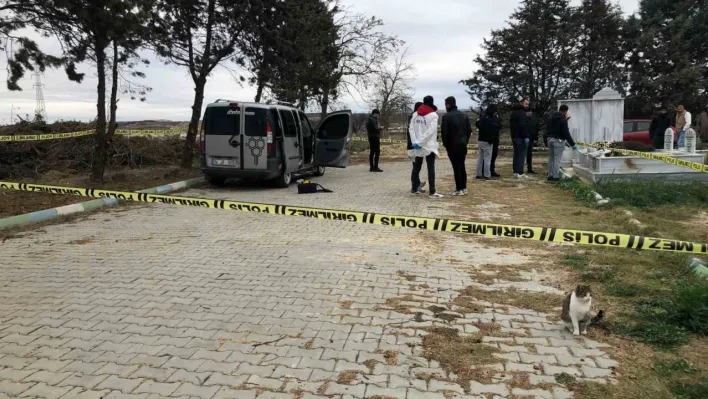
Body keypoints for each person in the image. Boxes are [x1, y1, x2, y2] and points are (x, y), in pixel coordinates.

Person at [409, 95, 443, 199]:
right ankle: (432, 192)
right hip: (429, 146)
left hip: (417, 146)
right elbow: (431, 131)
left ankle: (414, 188)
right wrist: (420, 142)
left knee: (417, 167)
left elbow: (411, 129)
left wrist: (416, 142)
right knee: (430, 168)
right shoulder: (433, 115)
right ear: (432, 103)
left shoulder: (415, 114)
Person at [441, 96, 472, 196]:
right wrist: (465, 141)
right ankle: (464, 187)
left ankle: (459, 188)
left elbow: (444, 133)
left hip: (452, 145)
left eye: (445, 104)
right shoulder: (464, 115)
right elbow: (469, 130)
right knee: (462, 165)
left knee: (456, 167)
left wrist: (446, 145)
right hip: (462, 144)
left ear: (448, 104)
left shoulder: (446, 117)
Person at [547, 104, 577, 182]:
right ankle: (555, 176)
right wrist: (572, 144)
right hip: (558, 141)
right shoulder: (563, 120)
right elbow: (566, 133)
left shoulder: (550, 118)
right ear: (565, 111)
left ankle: (550, 175)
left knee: (551, 158)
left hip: (549, 139)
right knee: (557, 159)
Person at [476, 104, 502, 180]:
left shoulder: (482, 117)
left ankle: (479, 174)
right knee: (487, 159)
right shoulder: (490, 119)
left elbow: (477, 124)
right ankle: (487, 175)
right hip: (488, 141)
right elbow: (493, 128)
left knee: (480, 158)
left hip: (481, 139)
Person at [407, 102, 426, 194]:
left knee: (416, 167)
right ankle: (414, 187)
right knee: (416, 167)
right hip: (414, 147)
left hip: (414, 146)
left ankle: (417, 184)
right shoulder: (414, 118)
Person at [510, 98, 530, 178]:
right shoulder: (522, 113)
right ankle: (520, 172)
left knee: (516, 154)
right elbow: (522, 126)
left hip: (514, 136)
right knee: (521, 155)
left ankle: (515, 171)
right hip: (521, 137)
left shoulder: (513, 113)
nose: (527, 106)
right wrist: (525, 136)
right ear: (521, 104)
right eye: (526, 104)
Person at [525, 106, 540, 174]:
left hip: (531, 139)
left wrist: (535, 138)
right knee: (522, 154)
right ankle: (519, 169)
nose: (530, 113)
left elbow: (536, 130)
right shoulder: (524, 120)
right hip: (524, 139)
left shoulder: (533, 120)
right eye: (528, 111)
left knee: (529, 154)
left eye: (531, 111)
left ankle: (529, 168)